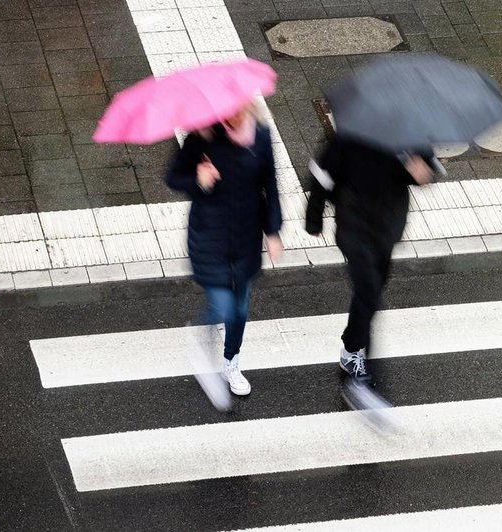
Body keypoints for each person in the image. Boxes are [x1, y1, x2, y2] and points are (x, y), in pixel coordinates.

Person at [305, 135, 440, 413]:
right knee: (368, 294)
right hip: (354, 225)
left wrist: (422, 172)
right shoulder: (348, 134)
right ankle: (358, 365)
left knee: (374, 290)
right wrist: (314, 217)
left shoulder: (408, 130)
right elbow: (322, 175)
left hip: (387, 227)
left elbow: (428, 167)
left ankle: (351, 349)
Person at [166, 103, 283, 410]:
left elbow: (270, 183)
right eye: (228, 113)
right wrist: (198, 179)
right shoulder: (202, 138)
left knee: (241, 308)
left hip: (246, 236)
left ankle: (231, 361)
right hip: (210, 237)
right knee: (224, 307)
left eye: (239, 111)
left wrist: (273, 231)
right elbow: (173, 177)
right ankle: (201, 334)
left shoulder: (260, 135)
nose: (235, 117)